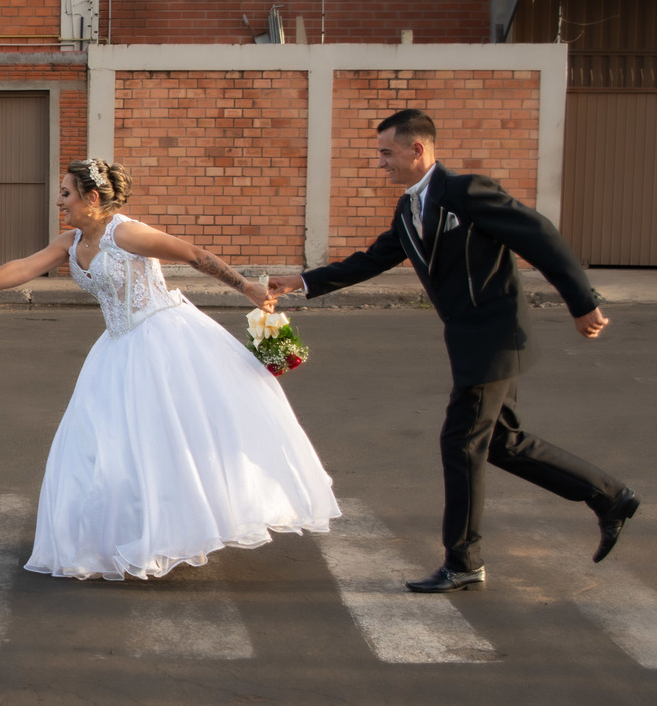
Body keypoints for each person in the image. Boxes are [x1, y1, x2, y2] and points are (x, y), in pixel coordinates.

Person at [267, 108, 639, 593]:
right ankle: (610, 496)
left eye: (386, 152)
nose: (381, 163)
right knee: (499, 442)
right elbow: (373, 259)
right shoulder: (409, 209)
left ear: (416, 149)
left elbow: (539, 235)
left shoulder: (466, 193)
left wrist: (582, 302)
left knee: (462, 442)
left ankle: (464, 560)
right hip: (468, 340)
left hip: (494, 337)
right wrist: (301, 282)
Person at [0, 159, 340, 580]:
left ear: (92, 198)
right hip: (117, 345)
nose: (59, 201)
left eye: (66, 193)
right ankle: (120, 536)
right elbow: (23, 267)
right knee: (100, 442)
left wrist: (248, 286)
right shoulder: (70, 241)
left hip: (163, 338)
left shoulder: (125, 233)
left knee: (165, 440)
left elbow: (195, 255)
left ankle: (172, 529)